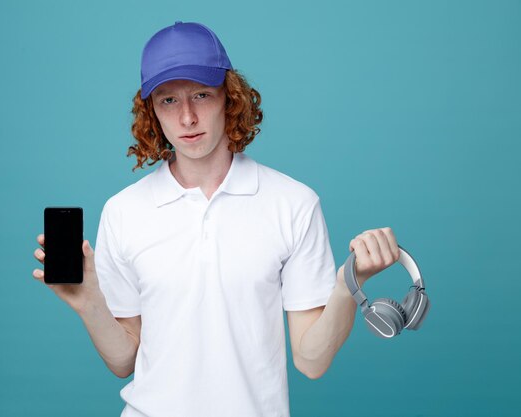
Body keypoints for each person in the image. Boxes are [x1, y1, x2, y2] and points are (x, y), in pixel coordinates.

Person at [32, 21, 401, 417]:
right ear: (152, 112)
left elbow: (311, 361)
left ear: (231, 98)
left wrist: (348, 286)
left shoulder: (293, 203)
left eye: (201, 95)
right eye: (168, 101)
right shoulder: (123, 212)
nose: (187, 117)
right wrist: (89, 303)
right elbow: (124, 361)